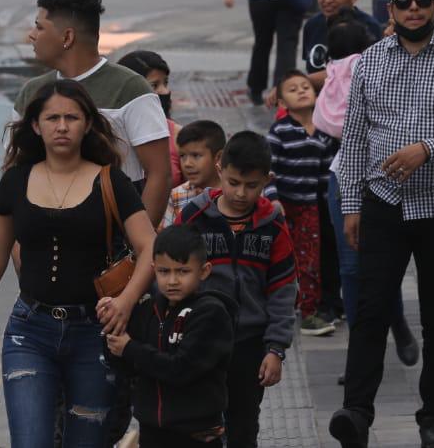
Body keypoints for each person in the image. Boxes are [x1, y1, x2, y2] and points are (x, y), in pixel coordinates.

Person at [329, 0, 434, 448]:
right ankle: (356, 414)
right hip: (383, 205)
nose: (414, 8)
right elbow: (354, 139)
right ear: (390, 9)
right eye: (404, 1)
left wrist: (427, 149)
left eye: (423, 0)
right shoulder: (371, 62)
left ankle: (433, 421)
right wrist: (353, 204)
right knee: (370, 309)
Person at [0, 80, 157, 448]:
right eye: (52, 118)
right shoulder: (16, 181)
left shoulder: (112, 181)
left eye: (71, 118)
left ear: (87, 125)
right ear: (36, 125)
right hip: (29, 332)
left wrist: (125, 302)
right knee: (30, 441)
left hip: (93, 334)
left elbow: (150, 248)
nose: (62, 126)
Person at [176, 131, 297, 448]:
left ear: (267, 179)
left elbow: (283, 289)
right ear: (219, 167)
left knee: (243, 423)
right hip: (199, 341)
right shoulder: (192, 218)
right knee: (200, 423)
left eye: (252, 185)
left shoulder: (273, 225)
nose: (241, 193)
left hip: (249, 344)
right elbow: (167, 274)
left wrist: (275, 350)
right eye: (233, 183)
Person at [317, 16, 419, 385]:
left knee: (379, 268)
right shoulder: (351, 70)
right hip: (345, 175)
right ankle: (359, 358)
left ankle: (398, 324)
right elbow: (327, 122)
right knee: (351, 270)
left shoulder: (412, 65)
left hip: (387, 177)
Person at [16, 0, 172, 227]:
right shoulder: (30, 94)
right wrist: (21, 249)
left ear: (67, 37)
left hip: (115, 237)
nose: (32, 35)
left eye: (39, 27)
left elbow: (160, 174)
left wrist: (136, 251)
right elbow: (14, 175)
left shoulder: (131, 89)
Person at [105, 225, 236, 447]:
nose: (172, 280)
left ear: (204, 271)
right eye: (164, 272)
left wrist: (130, 348)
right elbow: (126, 367)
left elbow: (181, 368)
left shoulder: (211, 313)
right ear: (153, 269)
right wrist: (111, 326)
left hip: (196, 433)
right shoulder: (148, 310)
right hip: (152, 430)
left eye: (183, 271)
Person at [267, 71, 339, 337]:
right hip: (283, 207)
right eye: (292, 88)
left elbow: (326, 174)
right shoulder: (280, 131)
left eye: (306, 87)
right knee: (283, 259)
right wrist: (273, 199)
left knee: (310, 258)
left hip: (310, 207)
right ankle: (286, 307)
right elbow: (268, 170)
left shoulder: (324, 131)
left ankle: (309, 313)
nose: (301, 91)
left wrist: (330, 205)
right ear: (282, 103)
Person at [118, 50, 183, 189]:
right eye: (154, 85)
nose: (164, 91)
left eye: (165, 83)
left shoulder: (177, 136)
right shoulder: (109, 135)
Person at [161, 120, 226, 230]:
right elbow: (168, 240)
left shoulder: (233, 192)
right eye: (182, 156)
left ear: (218, 157)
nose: (187, 164)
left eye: (196, 156)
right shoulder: (175, 196)